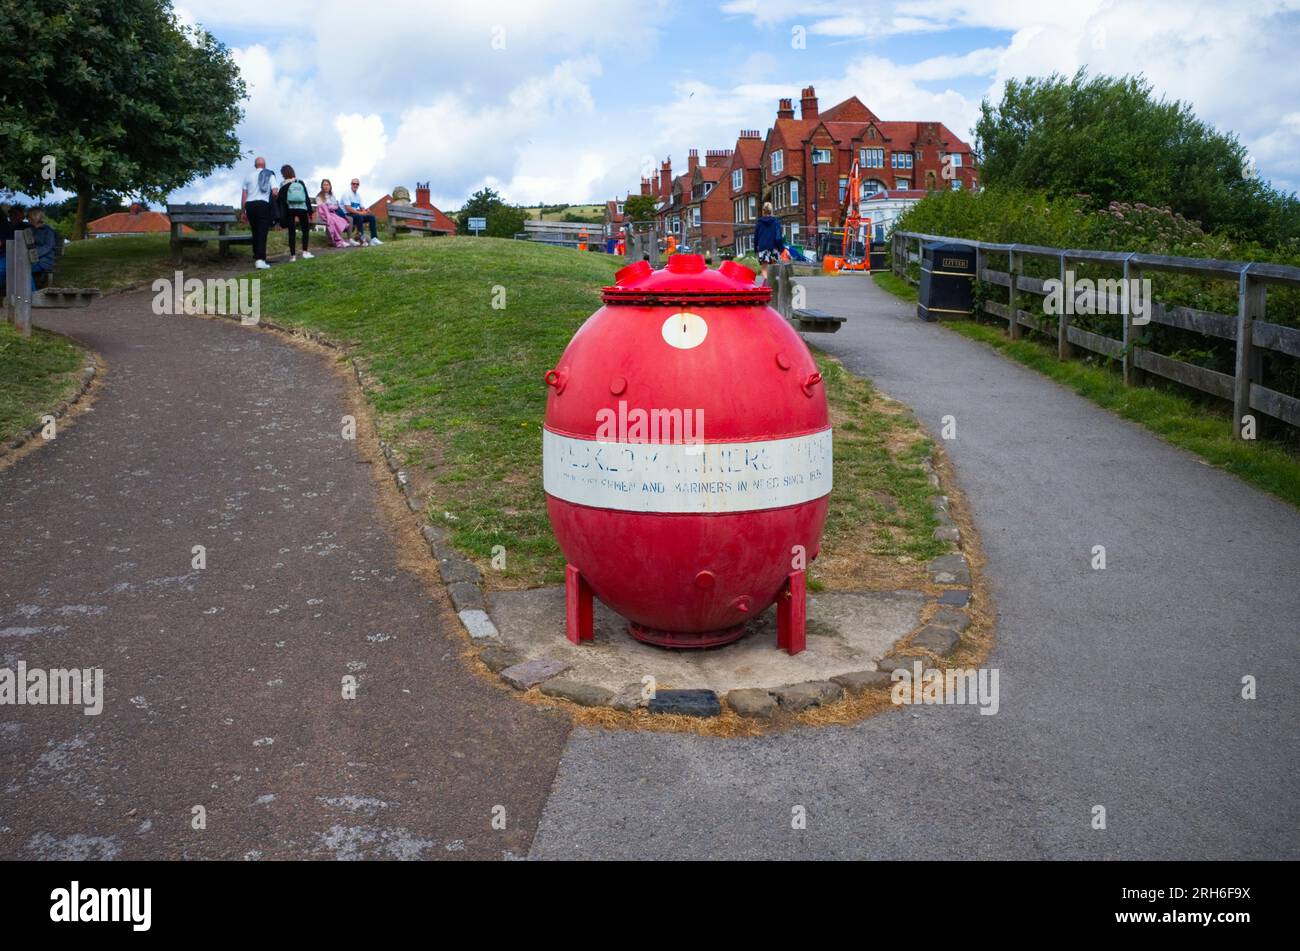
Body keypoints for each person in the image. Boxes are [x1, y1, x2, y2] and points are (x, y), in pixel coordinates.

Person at [240, 156, 279, 269]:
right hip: (263, 204)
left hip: (250, 205)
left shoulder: (248, 176)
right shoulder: (269, 174)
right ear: (264, 165)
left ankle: (256, 255)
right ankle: (260, 260)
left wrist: (243, 211)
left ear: (255, 165)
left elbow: (244, 196)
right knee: (262, 231)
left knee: (255, 231)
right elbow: (275, 192)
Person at [277, 165, 315, 262]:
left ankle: (293, 256)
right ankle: (305, 252)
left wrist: (281, 217)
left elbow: (280, 201)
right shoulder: (300, 182)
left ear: (283, 174)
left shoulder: (283, 185)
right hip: (302, 208)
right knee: (305, 230)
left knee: (291, 232)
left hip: (290, 210)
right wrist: (310, 212)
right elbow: (306, 197)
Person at [338, 178, 381, 245]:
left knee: (371, 217)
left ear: (358, 185)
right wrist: (361, 213)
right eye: (353, 183)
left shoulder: (358, 196)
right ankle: (362, 240)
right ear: (351, 184)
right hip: (346, 215)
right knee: (359, 217)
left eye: (357, 184)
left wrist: (365, 211)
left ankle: (374, 238)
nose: (355, 185)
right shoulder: (346, 193)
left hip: (355, 215)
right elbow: (348, 208)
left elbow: (362, 207)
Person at [315, 179, 355, 248]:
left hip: (334, 212)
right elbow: (322, 208)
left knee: (350, 219)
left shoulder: (332, 195)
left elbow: (336, 205)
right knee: (332, 220)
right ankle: (338, 240)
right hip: (325, 214)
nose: (326, 186)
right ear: (322, 186)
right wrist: (332, 207)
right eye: (324, 185)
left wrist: (333, 207)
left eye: (327, 185)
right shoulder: (319, 196)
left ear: (330, 186)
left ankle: (349, 239)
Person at [754, 201, 785, 282]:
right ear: (771, 211)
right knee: (773, 268)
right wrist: (781, 248)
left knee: (764, 269)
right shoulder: (776, 222)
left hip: (762, 248)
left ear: (763, 211)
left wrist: (755, 249)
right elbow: (778, 237)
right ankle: (772, 284)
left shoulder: (759, 223)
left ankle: (766, 280)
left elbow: (756, 237)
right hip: (773, 247)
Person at [27, 209, 59, 286]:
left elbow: (48, 247)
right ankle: (30, 292)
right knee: (18, 267)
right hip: (33, 260)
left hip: (45, 261)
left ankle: (32, 293)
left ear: (36, 218)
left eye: (30, 218)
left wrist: (34, 253)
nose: (28, 220)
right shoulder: (32, 229)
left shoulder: (48, 231)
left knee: (24, 269)